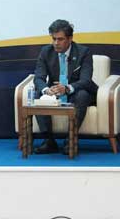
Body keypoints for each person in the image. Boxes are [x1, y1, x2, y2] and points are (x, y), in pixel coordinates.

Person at [33, 19, 98, 155]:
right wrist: (47, 90)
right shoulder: (46, 52)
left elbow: (86, 80)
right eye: (54, 39)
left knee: (82, 95)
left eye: (60, 39)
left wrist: (67, 88)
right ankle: (49, 141)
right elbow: (38, 77)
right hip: (55, 92)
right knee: (38, 94)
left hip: (77, 90)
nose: (56, 43)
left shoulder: (83, 52)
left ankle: (70, 140)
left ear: (70, 38)